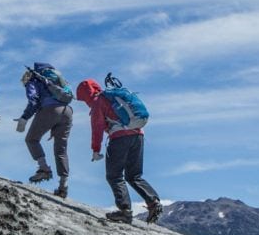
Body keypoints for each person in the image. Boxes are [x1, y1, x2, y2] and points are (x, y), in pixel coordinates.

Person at [76, 78, 163, 224]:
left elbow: (97, 127)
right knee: (134, 175)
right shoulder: (113, 97)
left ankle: (125, 211)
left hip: (119, 138)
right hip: (138, 136)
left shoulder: (98, 102)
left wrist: (96, 150)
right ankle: (153, 202)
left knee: (114, 175)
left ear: (86, 95)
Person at [15, 62, 72, 198]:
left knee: (31, 139)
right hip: (67, 111)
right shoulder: (57, 78)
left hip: (50, 110)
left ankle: (44, 169)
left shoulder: (33, 80)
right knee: (61, 150)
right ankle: (63, 186)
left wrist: (24, 118)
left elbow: (33, 101)